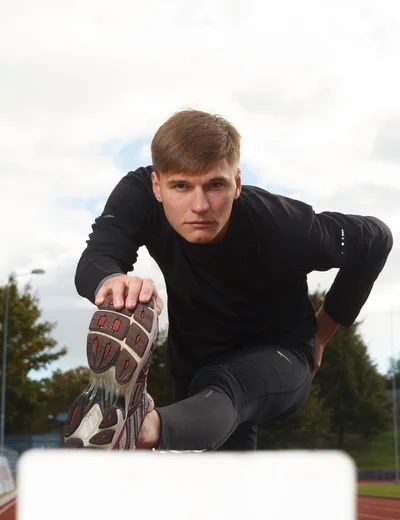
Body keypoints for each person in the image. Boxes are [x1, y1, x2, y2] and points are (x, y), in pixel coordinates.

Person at [63, 109, 393, 451]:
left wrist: (322, 334)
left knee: (228, 388)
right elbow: (97, 257)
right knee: (218, 485)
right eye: (181, 186)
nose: (200, 205)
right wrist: (113, 280)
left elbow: (376, 239)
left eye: (215, 185)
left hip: (280, 353)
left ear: (236, 183)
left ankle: (142, 426)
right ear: (157, 187)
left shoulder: (284, 226)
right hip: (194, 360)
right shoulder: (139, 197)